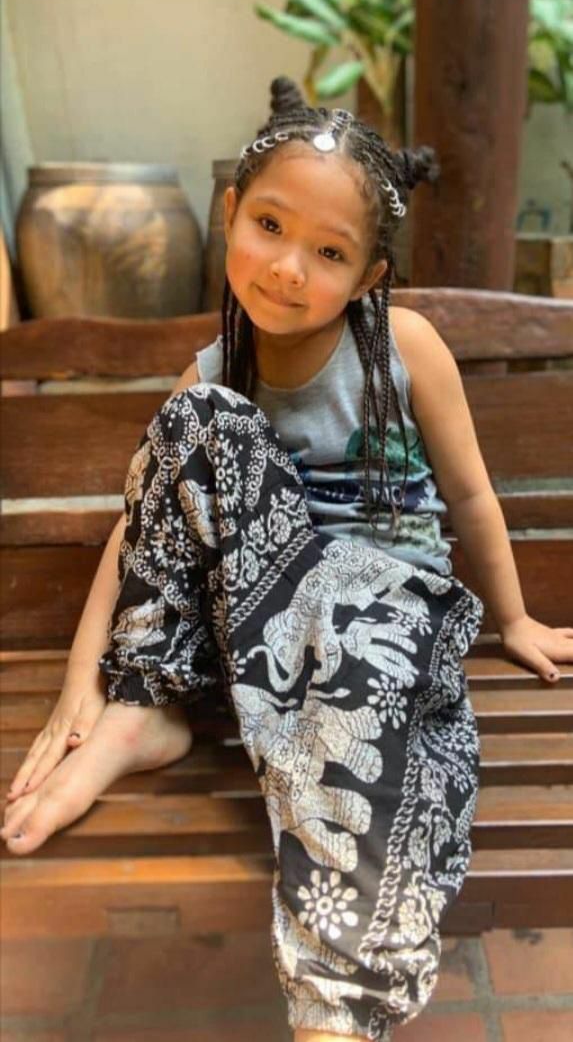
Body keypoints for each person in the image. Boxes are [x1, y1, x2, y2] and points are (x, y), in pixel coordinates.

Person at [2, 77, 572, 1041]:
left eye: (329, 252)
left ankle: (334, 1009)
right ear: (230, 212)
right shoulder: (213, 377)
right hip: (259, 639)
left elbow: (472, 497)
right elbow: (140, 525)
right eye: (268, 225)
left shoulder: (404, 348)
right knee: (198, 418)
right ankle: (145, 715)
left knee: (363, 725)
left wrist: (510, 620)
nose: (288, 268)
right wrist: (83, 681)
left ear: (369, 276)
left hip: (382, 627)